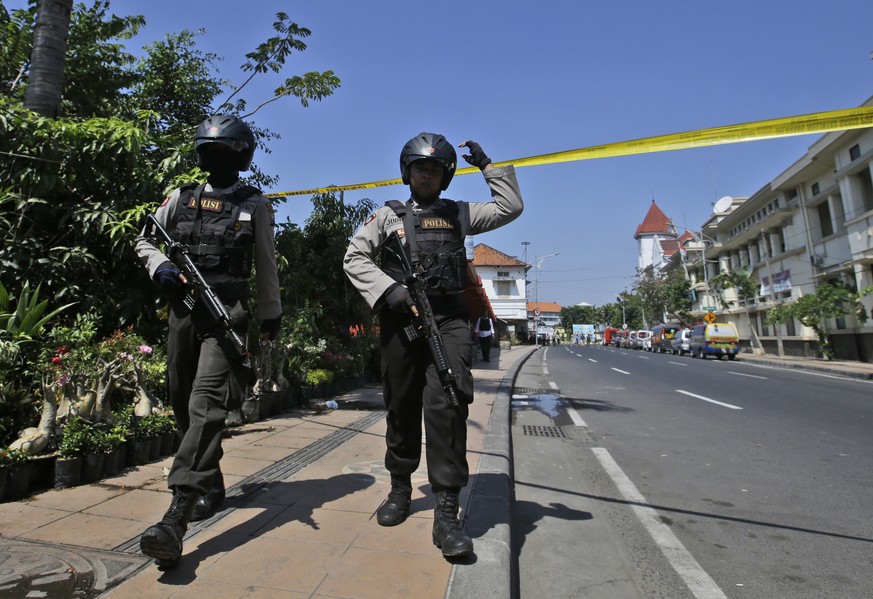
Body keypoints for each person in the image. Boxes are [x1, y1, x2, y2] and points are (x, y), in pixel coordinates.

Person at [343, 132, 523, 558]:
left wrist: (488, 166)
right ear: (408, 173)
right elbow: (354, 256)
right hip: (401, 320)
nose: (427, 175)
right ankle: (401, 489)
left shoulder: (460, 213)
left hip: (448, 320)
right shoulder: (387, 216)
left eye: (435, 169)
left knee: (448, 403)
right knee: (401, 405)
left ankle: (446, 511)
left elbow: (510, 207)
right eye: (420, 168)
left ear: (446, 176)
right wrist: (391, 292)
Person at [134, 114, 282, 570]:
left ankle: (176, 516)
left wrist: (270, 313)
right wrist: (158, 266)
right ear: (201, 156)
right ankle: (209, 481)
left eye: (225, 153)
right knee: (181, 401)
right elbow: (146, 239)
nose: (216, 161)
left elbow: (264, 262)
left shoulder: (253, 204)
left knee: (205, 404)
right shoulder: (180, 198)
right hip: (184, 313)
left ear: (241, 159)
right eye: (210, 153)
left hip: (227, 316)